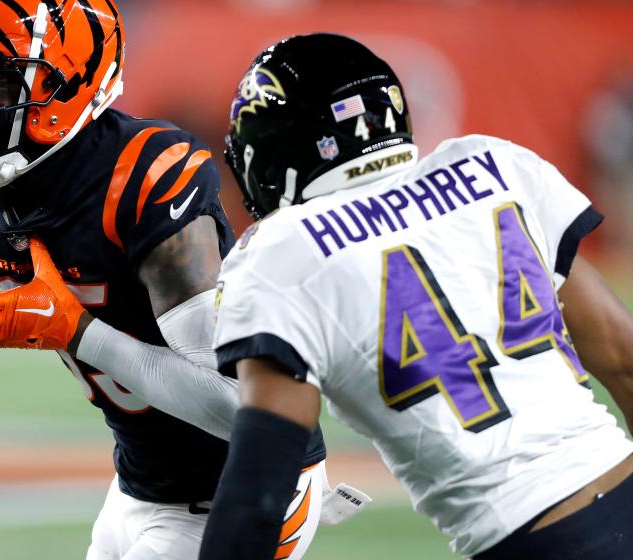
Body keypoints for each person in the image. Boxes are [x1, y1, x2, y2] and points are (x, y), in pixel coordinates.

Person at [0, 0, 333, 559]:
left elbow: (253, 411)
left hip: (249, 487)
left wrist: (76, 331)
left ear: (67, 82)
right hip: (139, 488)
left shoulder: (145, 177)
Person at [195, 32, 633, 559]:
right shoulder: (492, 164)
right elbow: (623, 360)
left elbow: (259, 494)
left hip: (536, 540)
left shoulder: (280, 252)